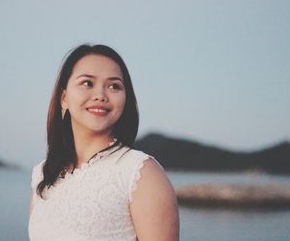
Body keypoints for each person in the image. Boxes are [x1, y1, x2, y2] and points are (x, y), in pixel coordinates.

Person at [28, 44, 179, 241]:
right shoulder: (43, 174)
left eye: (114, 86)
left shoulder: (140, 173)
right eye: (87, 83)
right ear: (64, 98)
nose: (100, 95)